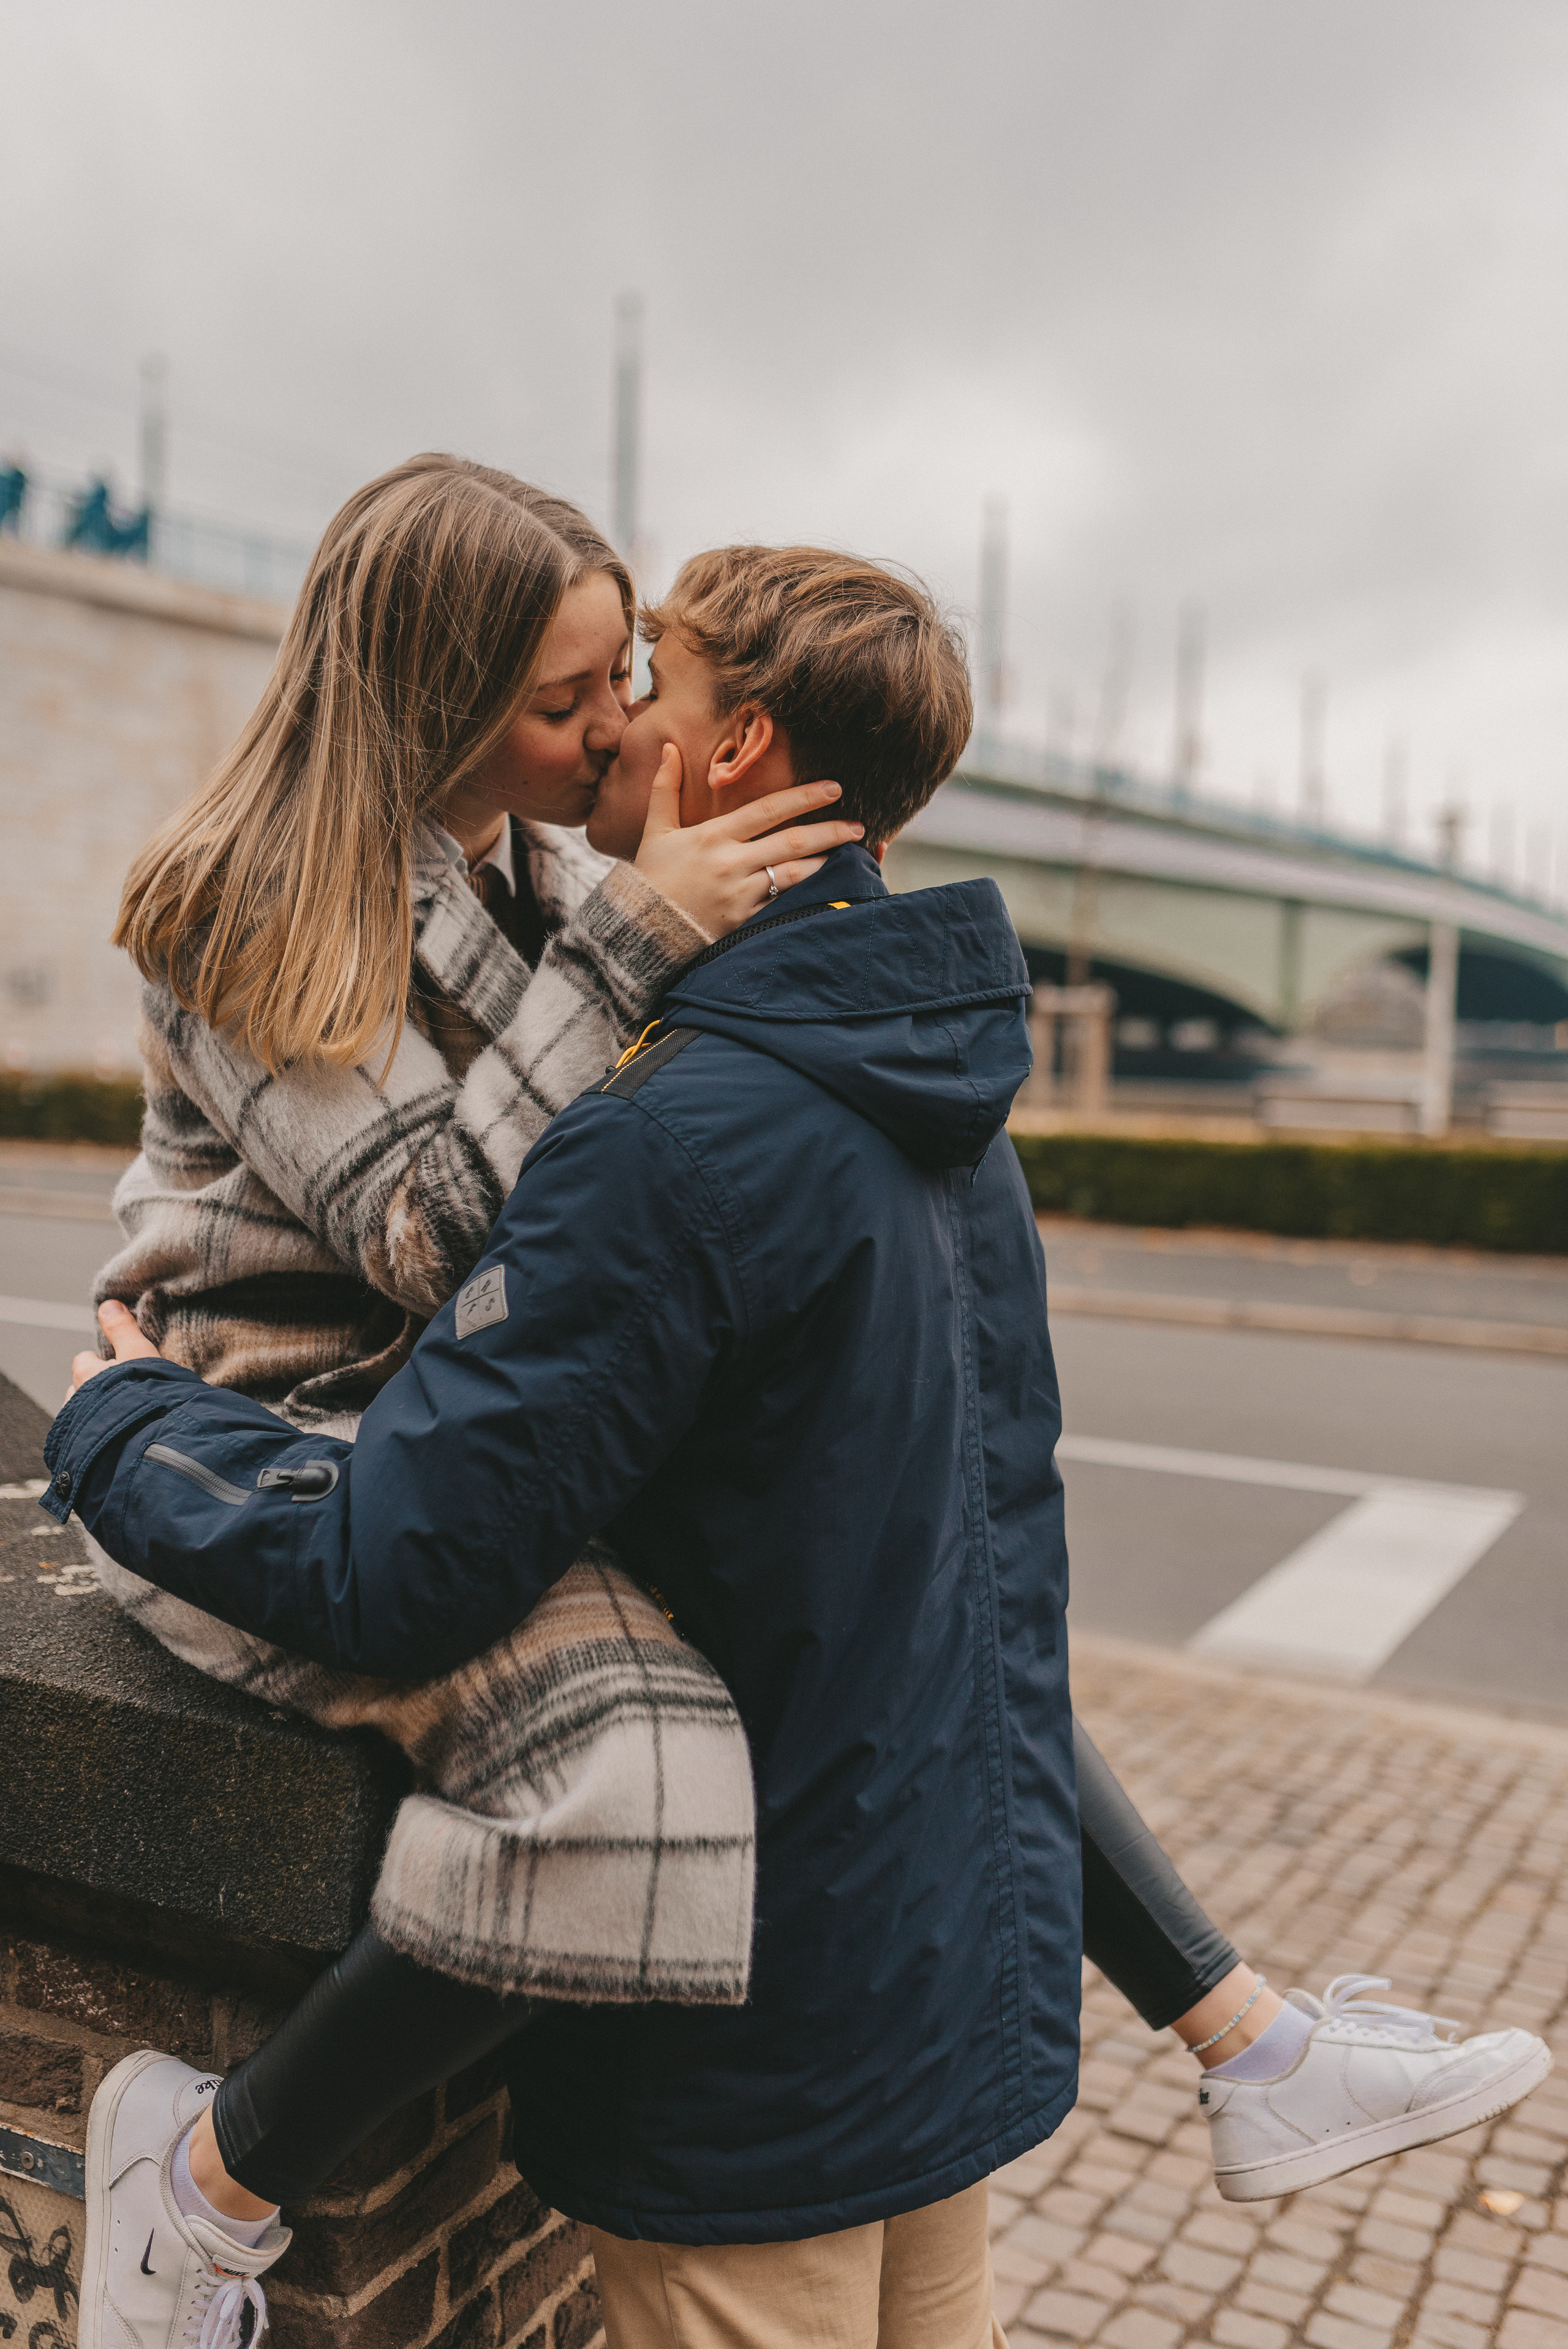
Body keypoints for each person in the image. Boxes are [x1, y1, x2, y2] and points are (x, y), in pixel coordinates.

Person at [56, 545, 1549, 2349]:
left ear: (734, 742)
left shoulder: (667, 1129)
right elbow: (972, 1591)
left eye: (643, 682)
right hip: (942, 2007)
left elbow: (407, 1559)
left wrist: (120, 1424)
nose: (613, 727)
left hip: (758, 2064)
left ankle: (207, 2179)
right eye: (573, 694)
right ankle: (1260, 2041)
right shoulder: (942, 1093)